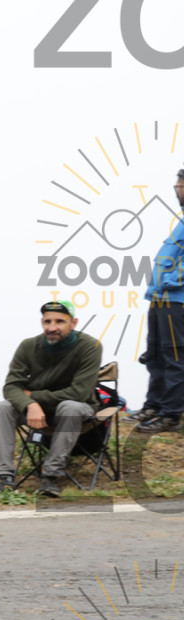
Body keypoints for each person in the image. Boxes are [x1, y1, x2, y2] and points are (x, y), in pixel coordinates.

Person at [0, 301, 104, 498]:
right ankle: (2, 476)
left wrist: (34, 396)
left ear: (73, 323)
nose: (52, 327)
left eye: (59, 321)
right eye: (47, 321)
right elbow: (11, 387)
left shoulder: (90, 346)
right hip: (37, 410)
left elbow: (79, 393)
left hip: (77, 408)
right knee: (2, 408)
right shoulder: (28, 346)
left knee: (70, 407)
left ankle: (50, 475)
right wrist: (30, 405)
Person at [130, 167, 184, 433]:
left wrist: (171, 280)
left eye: (180, 186)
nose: (177, 190)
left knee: (174, 356)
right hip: (161, 299)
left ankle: (171, 415)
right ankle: (155, 406)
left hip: (176, 298)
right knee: (155, 355)